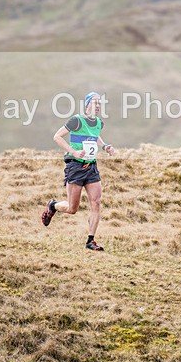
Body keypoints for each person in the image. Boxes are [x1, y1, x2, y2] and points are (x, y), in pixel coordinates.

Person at [41, 91, 115, 251]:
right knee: (72, 209)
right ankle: (53, 206)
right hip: (75, 166)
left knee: (96, 203)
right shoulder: (76, 121)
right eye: (94, 103)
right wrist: (74, 152)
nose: (97, 106)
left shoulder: (99, 123)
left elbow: (96, 135)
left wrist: (105, 146)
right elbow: (57, 136)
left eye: (99, 103)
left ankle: (90, 240)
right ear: (87, 105)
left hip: (91, 167)